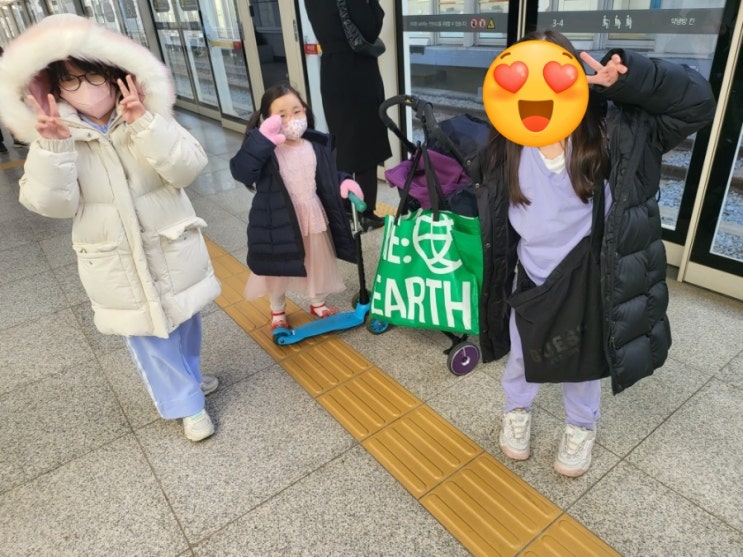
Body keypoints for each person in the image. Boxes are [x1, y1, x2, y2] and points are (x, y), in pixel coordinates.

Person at [476, 30, 716, 477]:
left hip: (588, 273)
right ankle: (517, 410)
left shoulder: (613, 132)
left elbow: (698, 104)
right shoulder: (505, 141)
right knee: (523, 353)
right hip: (532, 273)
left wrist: (631, 79)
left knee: (581, 360)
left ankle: (581, 426)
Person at [0, 14, 222, 442]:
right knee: (149, 335)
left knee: (185, 320)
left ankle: (191, 379)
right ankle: (186, 404)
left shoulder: (150, 115)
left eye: (93, 75)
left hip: (171, 248)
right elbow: (51, 205)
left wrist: (145, 124)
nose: (85, 88)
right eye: (70, 80)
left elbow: (187, 169)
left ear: (115, 73)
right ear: (53, 86)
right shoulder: (55, 131)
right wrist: (53, 148)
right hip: (116, 260)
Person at [229, 84, 362, 330]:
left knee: (316, 261)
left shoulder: (315, 144)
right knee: (278, 269)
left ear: (305, 111)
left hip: (312, 214)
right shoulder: (267, 151)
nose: (291, 119)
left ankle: (318, 302)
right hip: (279, 220)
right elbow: (242, 172)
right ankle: (277, 311)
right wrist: (260, 141)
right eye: (281, 115)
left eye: (296, 111)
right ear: (267, 120)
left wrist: (344, 181)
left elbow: (327, 175)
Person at [304, 0, 392, 230]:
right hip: (356, 73)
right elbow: (370, 29)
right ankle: (365, 213)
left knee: (343, 143)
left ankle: (344, 207)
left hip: (332, 72)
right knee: (367, 145)